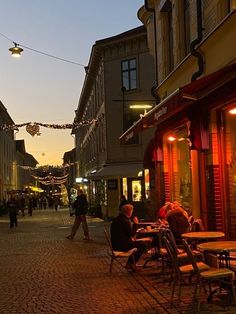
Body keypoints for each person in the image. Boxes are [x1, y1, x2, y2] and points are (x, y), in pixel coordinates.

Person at [110, 203, 147, 272]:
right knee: (143, 245)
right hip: (122, 245)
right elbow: (132, 234)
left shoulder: (117, 219)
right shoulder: (125, 221)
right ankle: (131, 264)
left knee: (140, 243)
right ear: (129, 212)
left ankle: (130, 264)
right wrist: (136, 223)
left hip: (116, 244)